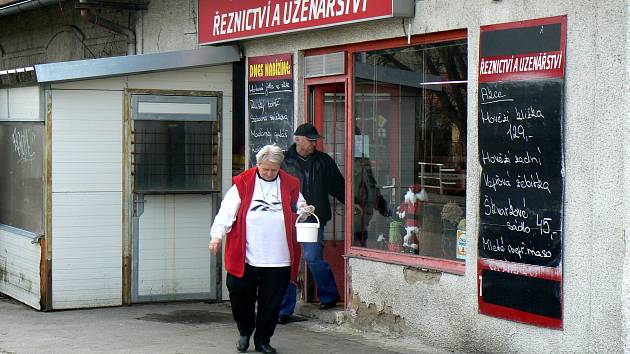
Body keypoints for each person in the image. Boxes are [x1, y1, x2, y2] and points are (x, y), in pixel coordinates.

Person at [209, 144, 313, 354]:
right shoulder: (243, 183)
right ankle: (245, 331)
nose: (269, 173)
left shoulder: (290, 183)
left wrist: (305, 210)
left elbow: (300, 206)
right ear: (258, 165)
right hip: (246, 256)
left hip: (278, 258)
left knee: (271, 304)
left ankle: (263, 340)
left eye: (273, 169)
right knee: (240, 297)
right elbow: (226, 212)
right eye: (265, 169)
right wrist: (216, 236)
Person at [278, 123, 348, 324]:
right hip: (289, 217)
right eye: (311, 140)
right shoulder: (283, 161)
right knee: (288, 262)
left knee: (312, 256)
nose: (314, 144)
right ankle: (284, 310)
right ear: (298, 139)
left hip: (313, 218)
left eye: (315, 140)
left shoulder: (323, 160)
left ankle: (329, 295)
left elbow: (338, 185)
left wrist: (354, 204)